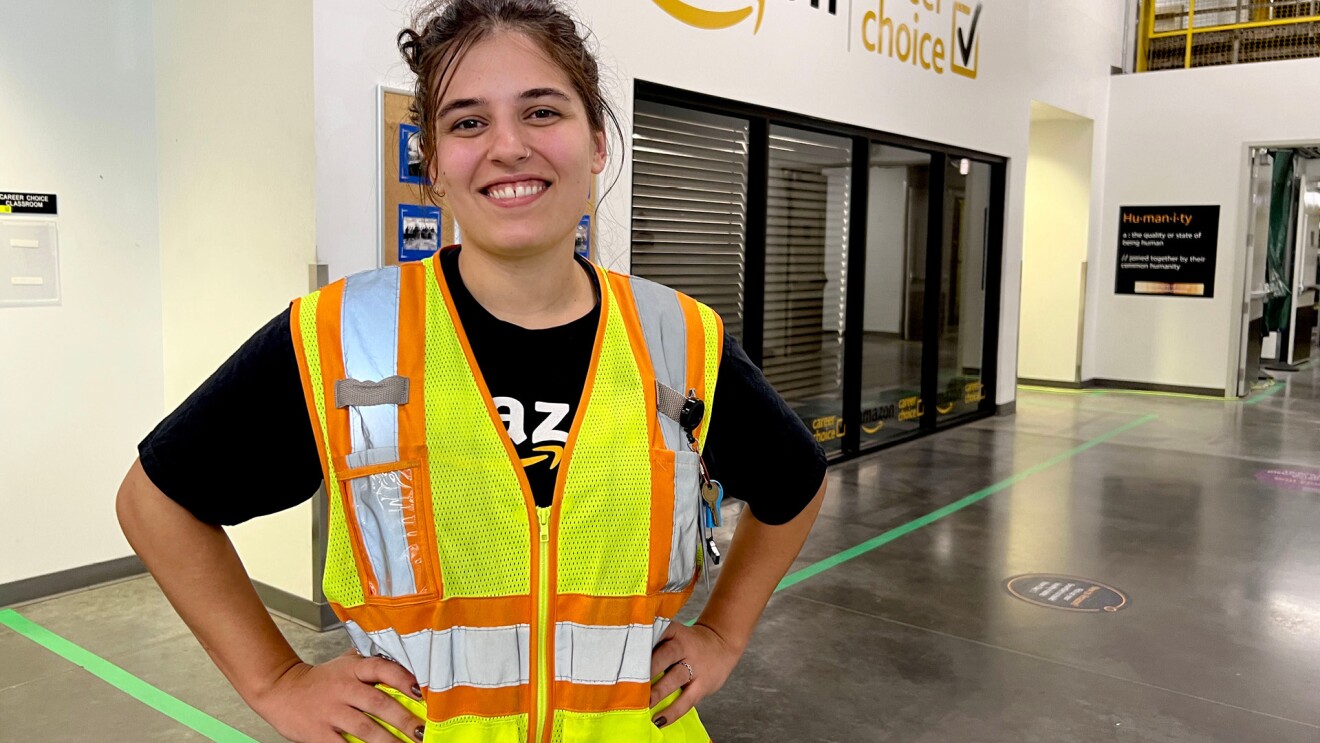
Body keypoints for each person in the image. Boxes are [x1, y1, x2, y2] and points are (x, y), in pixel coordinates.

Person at [116, 1, 827, 741]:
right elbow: (154, 502)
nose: (508, 146)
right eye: (467, 121)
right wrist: (275, 678)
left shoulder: (681, 339)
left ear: (597, 142)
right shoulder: (343, 338)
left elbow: (796, 483)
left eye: (542, 111)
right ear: (433, 163)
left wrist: (722, 633)